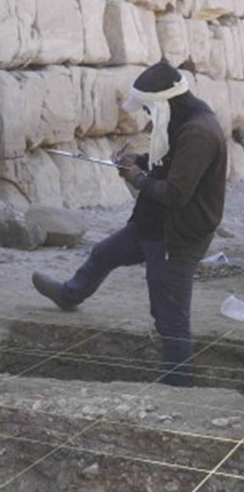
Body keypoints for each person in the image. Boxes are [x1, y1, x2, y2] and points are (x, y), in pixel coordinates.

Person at [32, 61, 226, 387]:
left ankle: (176, 386)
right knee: (103, 254)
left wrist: (138, 179)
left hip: (177, 236)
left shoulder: (198, 133)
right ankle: (68, 295)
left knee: (170, 315)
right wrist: (139, 162)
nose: (148, 117)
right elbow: (168, 163)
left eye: (149, 109)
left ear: (163, 103)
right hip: (154, 224)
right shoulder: (183, 120)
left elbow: (176, 192)